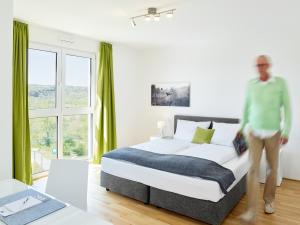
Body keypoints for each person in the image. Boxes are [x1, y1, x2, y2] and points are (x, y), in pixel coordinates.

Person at [239, 55, 292, 224]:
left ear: (269, 65)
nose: (260, 68)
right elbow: (246, 107)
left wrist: (286, 131)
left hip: (273, 133)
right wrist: (241, 127)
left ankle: (269, 201)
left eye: (262, 65)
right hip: (253, 133)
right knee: (253, 169)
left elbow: (288, 109)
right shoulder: (251, 85)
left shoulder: (280, 83)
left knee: (272, 169)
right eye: (257, 65)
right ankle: (251, 210)